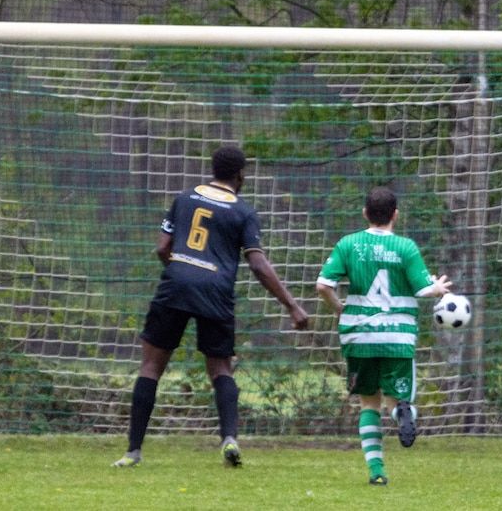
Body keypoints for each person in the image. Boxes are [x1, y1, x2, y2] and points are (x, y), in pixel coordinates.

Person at [111, 145, 310, 468]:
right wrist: (292, 306)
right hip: (216, 290)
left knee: (150, 367)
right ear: (240, 174)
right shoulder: (244, 212)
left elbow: (162, 247)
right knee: (220, 367)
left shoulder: (185, 198)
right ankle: (229, 438)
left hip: (176, 283)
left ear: (213, 169)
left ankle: (133, 451)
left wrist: (179, 271)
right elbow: (258, 265)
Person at [315, 186, 452, 486]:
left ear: (365, 213)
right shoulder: (406, 248)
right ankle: (402, 412)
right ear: (396, 215)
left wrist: (340, 308)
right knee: (397, 400)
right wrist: (439, 289)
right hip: (397, 338)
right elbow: (422, 289)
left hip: (359, 336)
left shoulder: (349, 244)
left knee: (368, 404)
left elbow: (323, 285)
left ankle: (377, 472)